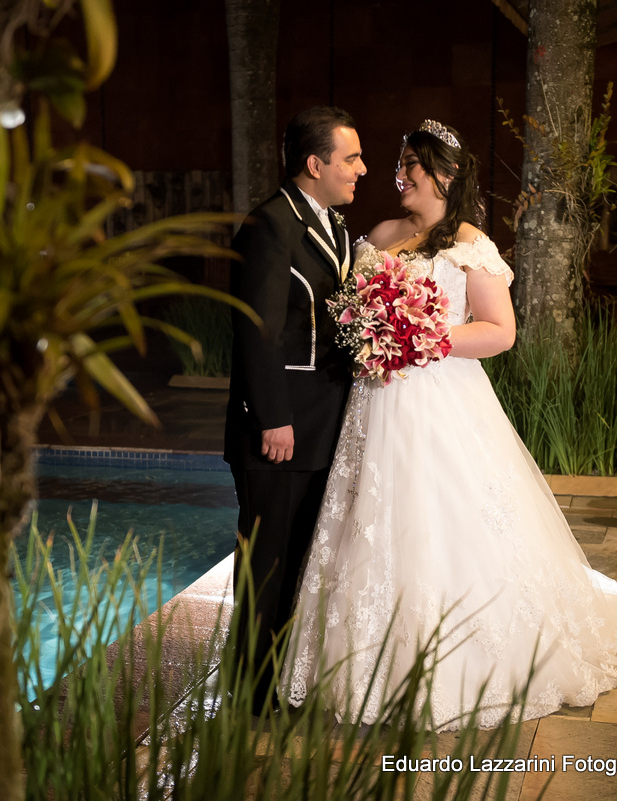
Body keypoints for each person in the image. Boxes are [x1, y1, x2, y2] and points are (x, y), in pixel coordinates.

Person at [282, 120, 617, 730]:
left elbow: (499, 332)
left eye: (411, 165)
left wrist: (422, 336)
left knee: (442, 518)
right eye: (398, 164)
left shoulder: (471, 245)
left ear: (444, 175)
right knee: (372, 519)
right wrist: (372, 334)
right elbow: (354, 312)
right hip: (376, 401)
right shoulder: (378, 234)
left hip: (438, 397)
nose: (398, 175)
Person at [224, 106, 366, 700]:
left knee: (303, 562)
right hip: (278, 431)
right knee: (268, 565)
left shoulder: (330, 224)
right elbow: (254, 329)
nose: (362, 168)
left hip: (323, 423)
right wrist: (274, 418)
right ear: (316, 164)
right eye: (351, 157)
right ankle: (251, 693)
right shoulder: (269, 225)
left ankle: (282, 680)